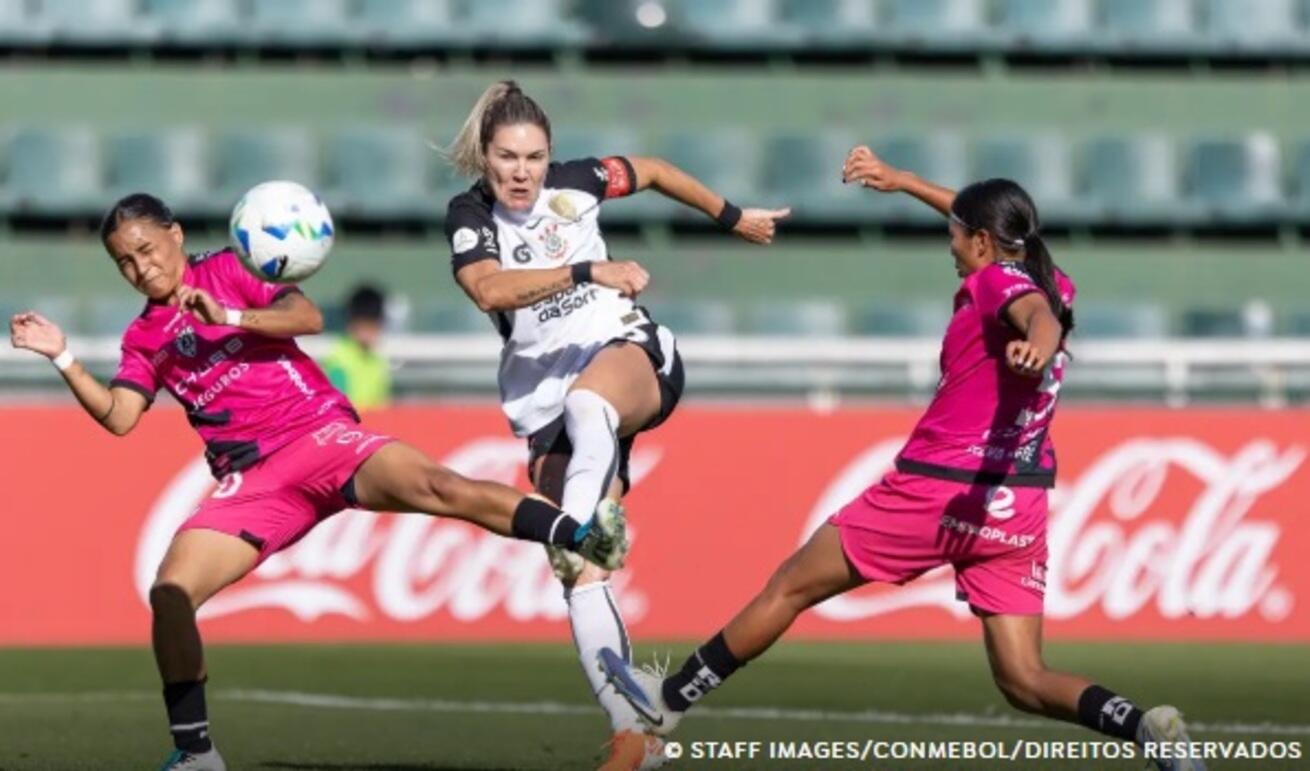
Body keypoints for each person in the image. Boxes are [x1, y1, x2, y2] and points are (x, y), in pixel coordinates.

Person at [598, 150, 1207, 771]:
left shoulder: (999, 285)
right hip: (1015, 505)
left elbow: (1037, 319)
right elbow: (1011, 265)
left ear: (981, 242)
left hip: (935, 493)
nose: (950, 246)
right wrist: (905, 182)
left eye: (956, 237)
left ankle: (666, 702)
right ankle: (1145, 728)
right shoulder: (1049, 275)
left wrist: (1038, 346)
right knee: (1024, 678)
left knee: (790, 586)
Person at [7, 193, 628, 771]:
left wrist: (229, 314)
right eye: (124, 262)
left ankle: (579, 536)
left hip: (319, 437)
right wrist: (62, 356)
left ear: (174, 234)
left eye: (146, 249)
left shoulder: (231, 268)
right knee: (170, 592)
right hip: (254, 482)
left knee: (440, 488)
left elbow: (303, 314)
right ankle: (196, 754)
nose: (140, 268)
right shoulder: (144, 337)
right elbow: (120, 416)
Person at [442, 80, 788, 770]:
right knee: (581, 573)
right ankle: (634, 730)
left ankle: (580, 522)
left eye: (534, 158)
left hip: (628, 355)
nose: (522, 172)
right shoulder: (470, 214)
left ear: (550, 156)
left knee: (589, 407)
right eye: (508, 157)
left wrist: (730, 215)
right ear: (485, 156)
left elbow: (651, 170)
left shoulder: (580, 183)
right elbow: (487, 288)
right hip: (543, 400)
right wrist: (586, 268)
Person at [322, 283, 392, 410]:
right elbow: (339, 407)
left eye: (373, 325)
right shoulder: (338, 359)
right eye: (364, 325)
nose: (369, 331)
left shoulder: (378, 362)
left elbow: (383, 406)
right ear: (351, 323)